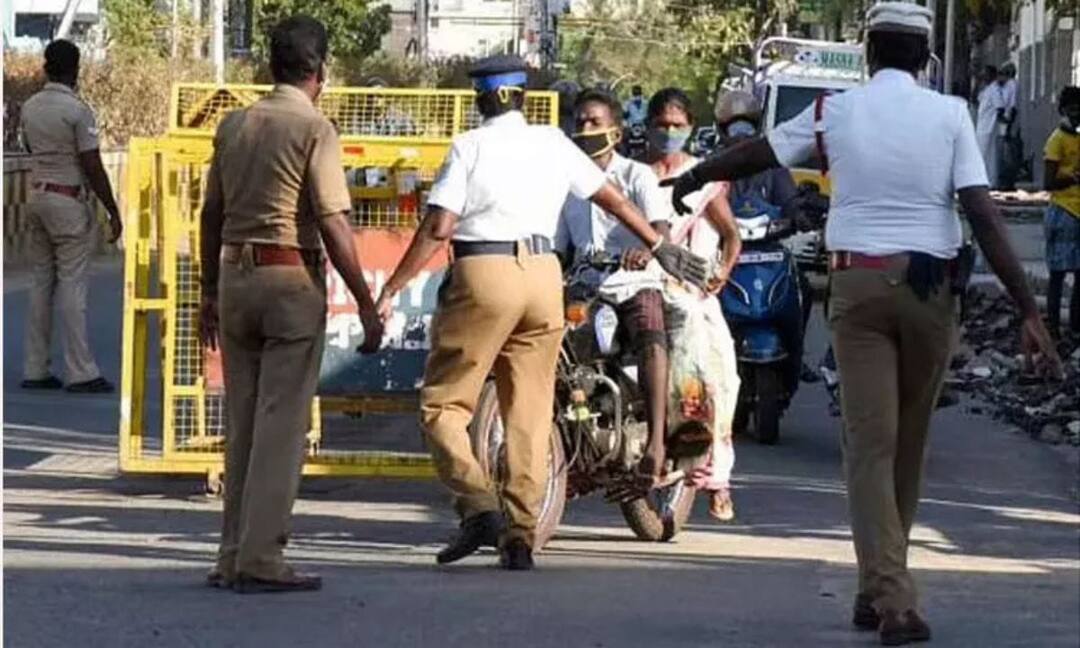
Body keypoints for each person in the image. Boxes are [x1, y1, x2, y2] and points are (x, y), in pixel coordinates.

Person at [662, 3, 1062, 643]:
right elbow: (983, 215)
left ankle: (885, 594)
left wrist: (698, 174)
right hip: (933, 291)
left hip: (858, 284)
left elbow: (758, 152)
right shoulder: (951, 114)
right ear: (926, 57)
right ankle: (886, 588)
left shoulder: (834, 111)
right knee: (906, 443)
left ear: (867, 51)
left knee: (869, 443)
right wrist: (1029, 309)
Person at [374, 55, 708, 571]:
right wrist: (658, 246)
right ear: (523, 98)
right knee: (528, 411)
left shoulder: (470, 146)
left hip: (485, 273)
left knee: (443, 407)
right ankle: (521, 535)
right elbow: (614, 201)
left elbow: (440, 227)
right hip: (544, 278)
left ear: (481, 98)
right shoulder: (553, 143)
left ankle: (479, 506)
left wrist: (392, 287)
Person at [198, 15, 384, 594]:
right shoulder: (315, 129)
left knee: (244, 421)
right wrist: (366, 302)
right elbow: (332, 219)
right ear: (321, 71)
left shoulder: (235, 124)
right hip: (288, 279)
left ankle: (231, 555)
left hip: (233, 277)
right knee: (281, 425)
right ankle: (262, 559)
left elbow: (210, 215)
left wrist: (207, 289)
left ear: (270, 67)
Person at [555, 87, 674, 489]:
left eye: (595, 122)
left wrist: (643, 250)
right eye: (580, 122)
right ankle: (571, 450)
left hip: (634, 282)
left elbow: (660, 228)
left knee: (651, 337)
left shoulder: (636, 175)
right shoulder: (565, 184)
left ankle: (657, 441)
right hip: (586, 287)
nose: (585, 129)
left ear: (616, 133)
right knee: (558, 360)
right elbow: (558, 247)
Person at [643, 87, 742, 521]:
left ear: (690, 129)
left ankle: (716, 480)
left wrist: (722, 271)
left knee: (719, 379)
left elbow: (731, 234)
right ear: (647, 127)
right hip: (642, 285)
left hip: (692, 294)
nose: (669, 133)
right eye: (662, 125)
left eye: (677, 126)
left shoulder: (701, 179)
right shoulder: (634, 176)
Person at [19, 39, 123, 394]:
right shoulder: (77, 111)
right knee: (72, 286)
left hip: (35, 197)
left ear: (46, 68)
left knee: (40, 284)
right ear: (74, 70)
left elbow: (31, 149)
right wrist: (112, 209)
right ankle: (81, 370)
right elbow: (92, 163)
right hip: (67, 202)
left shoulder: (30, 107)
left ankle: (35, 367)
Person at [714, 90, 819, 386]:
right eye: (734, 126)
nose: (740, 133)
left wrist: (799, 214)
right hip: (723, 255)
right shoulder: (711, 166)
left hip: (769, 249)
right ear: (722, 130)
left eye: (746, 124)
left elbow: (790, 200)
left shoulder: (772, 166)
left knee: (804, 290)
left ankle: (796, 356)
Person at [1043, 86, 1080, 338]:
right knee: (1057, 274)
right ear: (1064, 110)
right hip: (1063, 210)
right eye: (1073, 110)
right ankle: (1054, 326)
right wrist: (1072, 178)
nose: (1077, 115)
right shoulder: (1057, 140)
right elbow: (1048, 182)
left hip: (1077, 211)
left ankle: (1075, 326)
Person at [975, 64, 1008, 189]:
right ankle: (986, 181)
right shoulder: (987, 89)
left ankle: (988, 182)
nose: (983, 76)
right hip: (982, 127)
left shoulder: (994, 89)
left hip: (988, 128)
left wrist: (1005, 123)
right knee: (984, 155)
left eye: (985, 74)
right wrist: (977, 82)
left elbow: (999, 108)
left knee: (986, 156)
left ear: (992, 75)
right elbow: (975, 99)